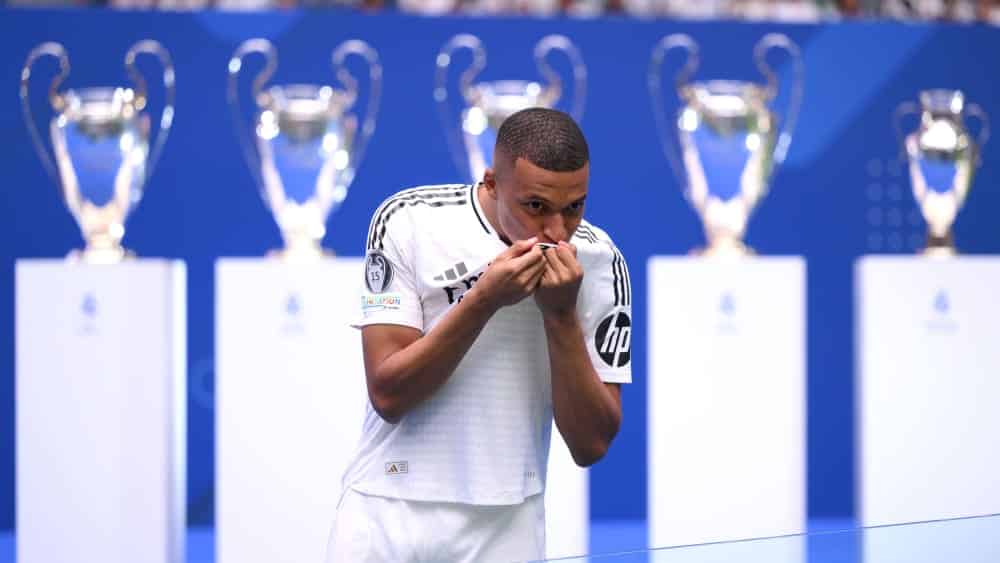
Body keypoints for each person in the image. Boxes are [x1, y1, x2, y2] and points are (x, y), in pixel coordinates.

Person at [325, 107, 632, 563]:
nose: (556, 232)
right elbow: (388, 394)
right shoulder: (408, 220)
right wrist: (484, 299)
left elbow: (592, 446)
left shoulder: (601, 260)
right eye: (535, 206)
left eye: (574, 208)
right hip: (387, 508)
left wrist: (560, 315)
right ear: (491, 183)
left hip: (509, 523)